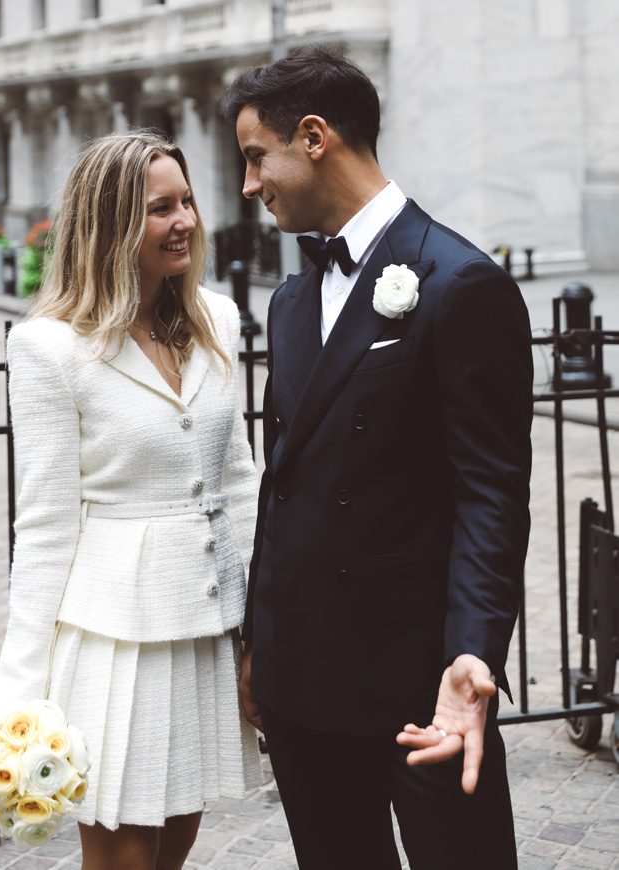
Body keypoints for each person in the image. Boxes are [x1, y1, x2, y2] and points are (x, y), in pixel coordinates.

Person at [218, 46, 533, 870]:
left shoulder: (460, 282)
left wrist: (472, 656)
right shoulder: (288, 301)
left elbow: (491, 493)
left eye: (257, 157)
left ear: (314, 137)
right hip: (300, 689)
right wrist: (261, 645)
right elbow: (282, 485)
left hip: (420, 687)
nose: (250, 185)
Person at [0, 131, 261, 870]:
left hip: (207, 625)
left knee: (173, 848)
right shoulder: (49, 347)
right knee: (123, 860)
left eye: (187, 203)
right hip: (115, 643)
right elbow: (44, 522)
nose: (184, 221)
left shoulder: (218, 321)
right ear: (110, 223)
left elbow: (240, 477)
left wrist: (263, 618)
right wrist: (17, 693)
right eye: (158, 209)